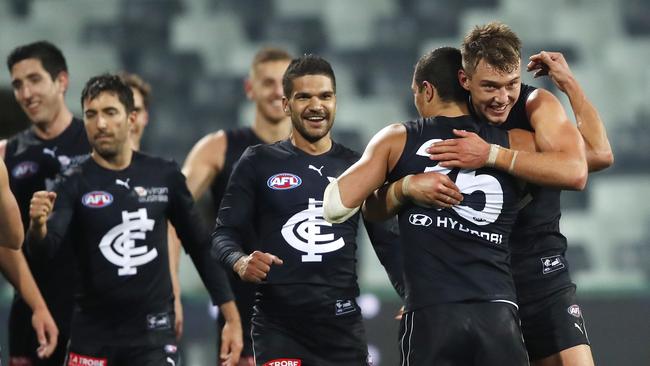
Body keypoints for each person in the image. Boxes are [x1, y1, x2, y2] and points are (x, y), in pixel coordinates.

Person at [323, 46, 553, 365]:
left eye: (416, 94)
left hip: (433, 314)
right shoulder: (515, 141)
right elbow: (583, 163)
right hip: (498, 312)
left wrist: (403, 187)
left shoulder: (399, 138)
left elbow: (335, 205)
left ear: (427, 90)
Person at [421, 22, 612, 366]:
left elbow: (584, 166)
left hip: (541, 270)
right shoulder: (451, 115)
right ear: (465, 81)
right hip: (478, 278)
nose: (502, 98)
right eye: (490, 87)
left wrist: (492, 154)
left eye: (510, 85)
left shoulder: (536, 104)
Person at [26, 74, 243, 366]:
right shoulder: (72, 183)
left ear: (132, 119)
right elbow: (44, 253)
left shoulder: (163, 175)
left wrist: (231, 317)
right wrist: (37, 226)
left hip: (152, 338)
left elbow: (200, 246)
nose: (100, 123)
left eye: (110, 113)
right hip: (92, 336)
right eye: (91, 114)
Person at [212, 55, 403, 366]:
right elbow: (223, 235)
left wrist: (411, 292)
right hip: (279, 327)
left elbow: (387, 239)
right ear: (286, 104)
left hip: (341, 325)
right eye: (304, 97)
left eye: (325, 96)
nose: (316, 106)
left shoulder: (357, 165)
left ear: (335, 101)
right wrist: (241, 261)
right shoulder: (257, 162)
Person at [175, 47, 293, 365]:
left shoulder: (321, 152)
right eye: (267, 82)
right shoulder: (218, 148)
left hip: (306, 316)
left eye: (285, 82)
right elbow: (172, 213)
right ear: (249, 88)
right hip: (241, 315)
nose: (277, 91)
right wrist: (170, 287)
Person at [1, 40, 89, 364]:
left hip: (94, 316)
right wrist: (37, 306)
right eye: (18, 85)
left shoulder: (98, 143)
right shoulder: (5, 154)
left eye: (34, 79)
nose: (26, 93)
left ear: (61, 81)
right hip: (29, 316)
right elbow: (5, 243)